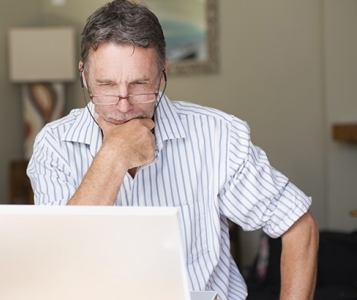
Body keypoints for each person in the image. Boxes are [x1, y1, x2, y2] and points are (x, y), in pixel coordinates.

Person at [27, 0, 319, 299]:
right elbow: (58, 262)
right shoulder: (54, 145)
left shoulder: (217, 135)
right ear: (84, 75)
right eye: (107, 85)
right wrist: (113, 156)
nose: (124, 104)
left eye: (140, 83)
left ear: (163, 72)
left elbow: (299, 226)